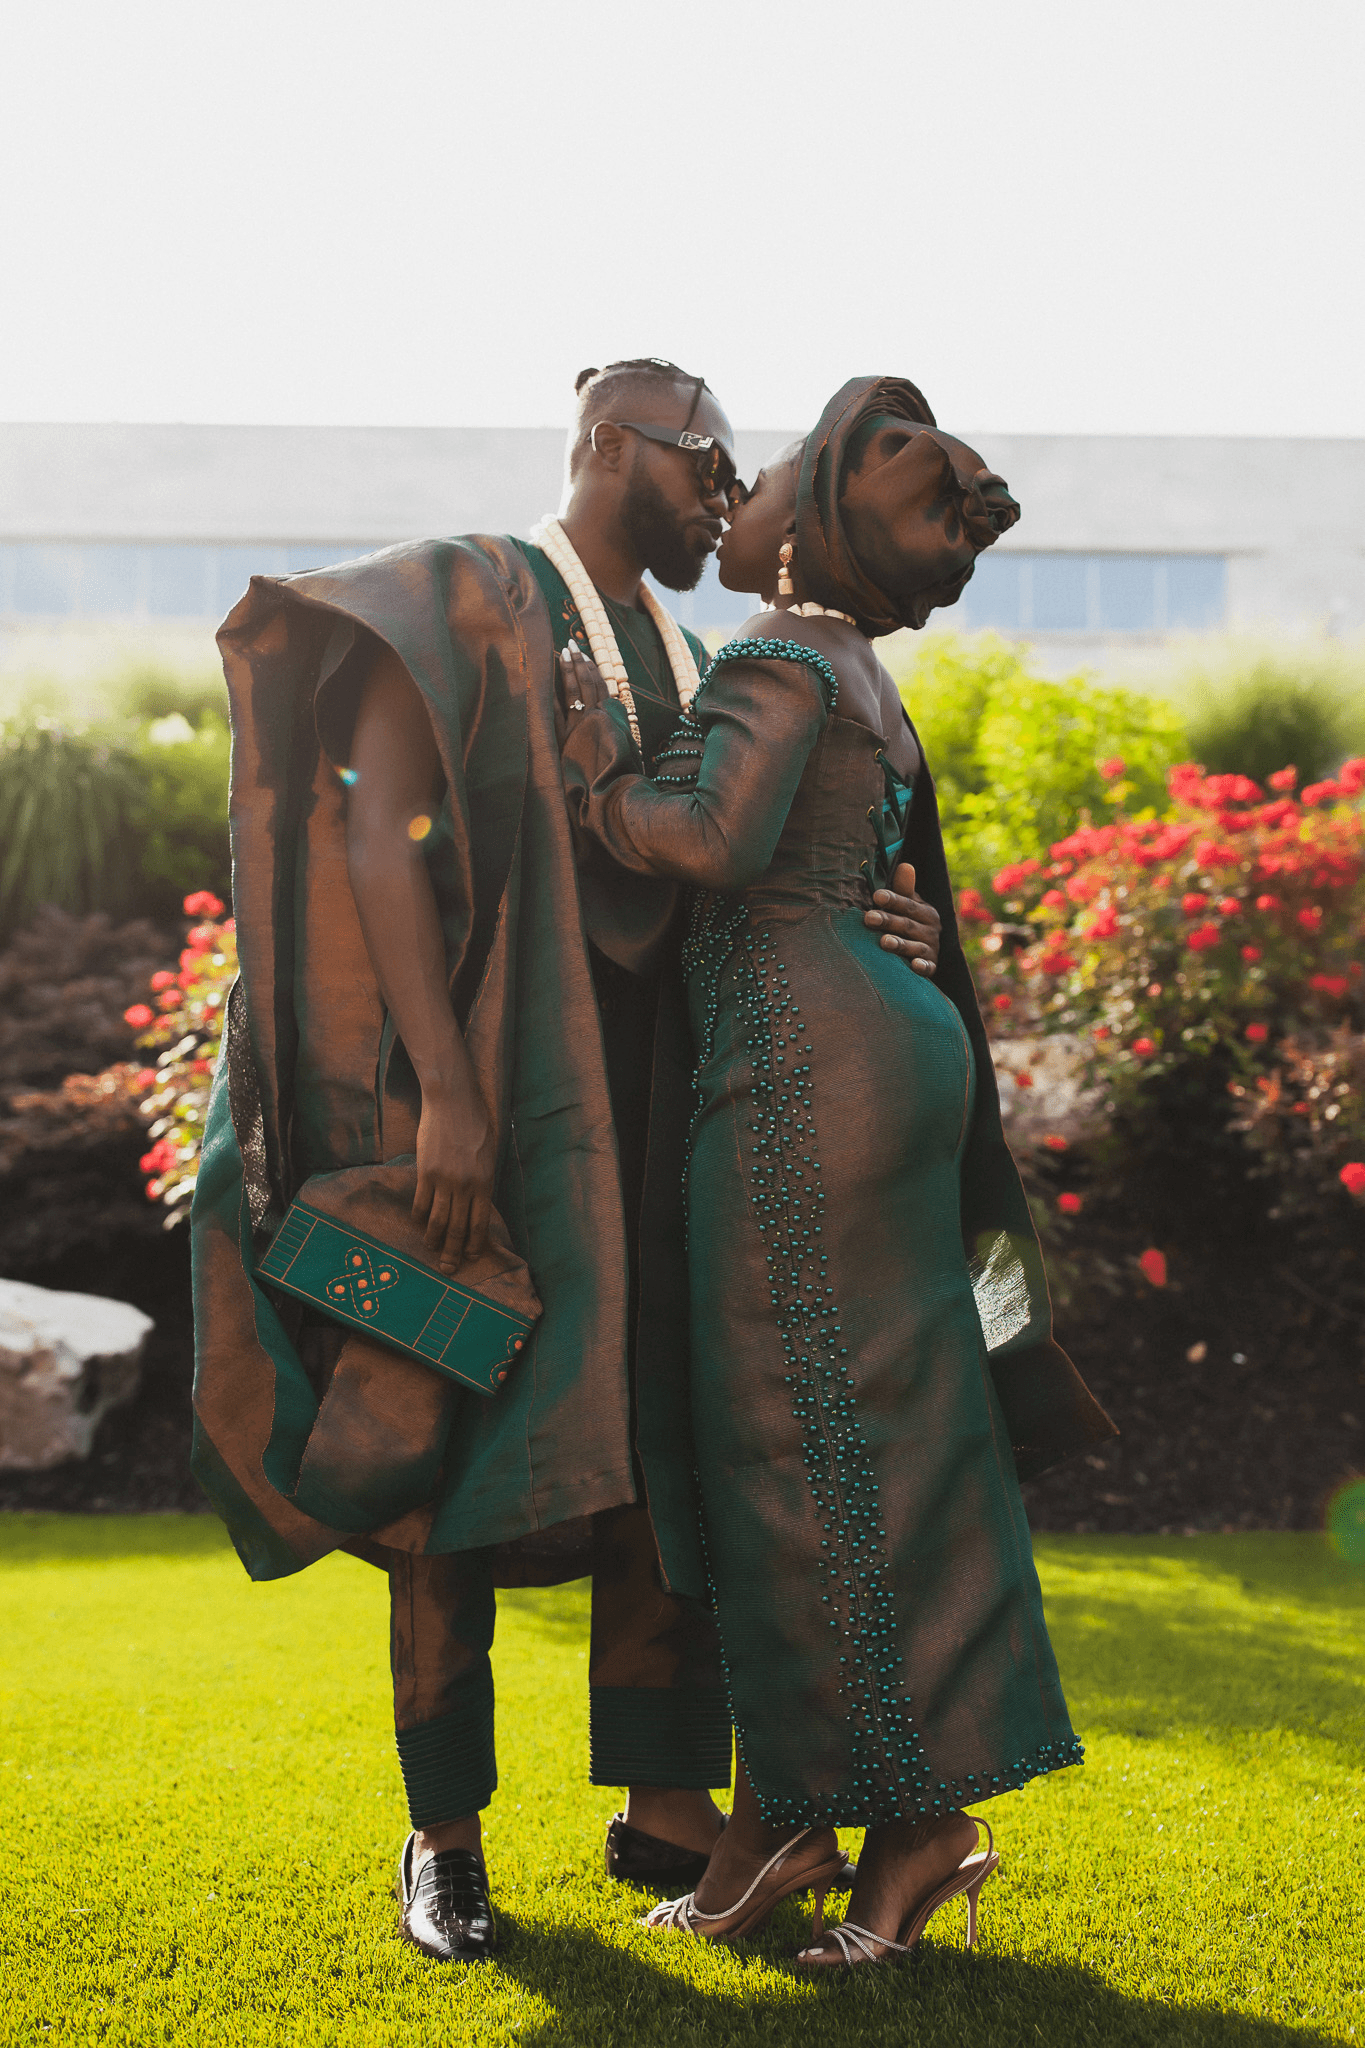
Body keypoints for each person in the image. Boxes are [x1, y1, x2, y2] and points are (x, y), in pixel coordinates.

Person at [191, 359, 942, 1963]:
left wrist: (883, 918)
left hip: (665, 1112)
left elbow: (758, 850)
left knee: (667, 1454)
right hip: (487, 1108)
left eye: (737, 475)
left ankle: (667, 1807)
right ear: (610, 441)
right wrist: (448, 1092)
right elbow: (376, 821)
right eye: (705, 464)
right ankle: (444, 1837)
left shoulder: (700, 653)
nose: (728, 499)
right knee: (440, 1451)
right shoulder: (460, 593)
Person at [557, 374, 1116, 1969]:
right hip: (876, 1046)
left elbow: (715, 841)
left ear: (802, 520)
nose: (735, 489)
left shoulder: (782, 650)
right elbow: (846, 859)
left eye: (769, 466)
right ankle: (811, 1820)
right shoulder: (860, 671)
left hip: (806, 1073)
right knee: (860, 1444)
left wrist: (602, 776)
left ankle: (881, 1824)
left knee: (795, 1451)